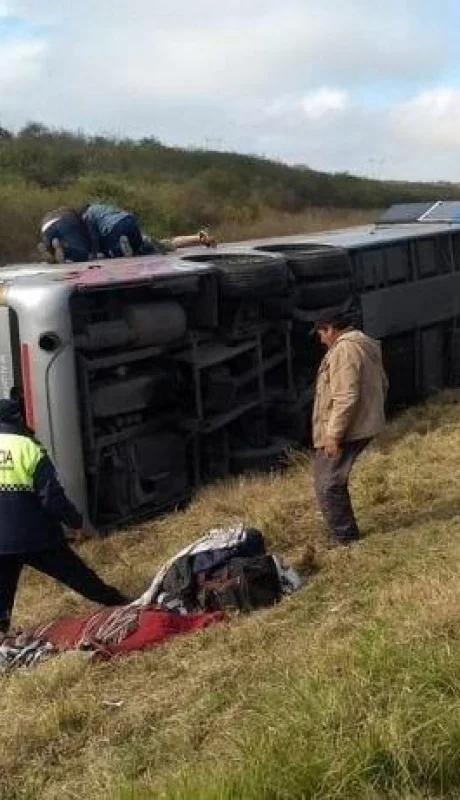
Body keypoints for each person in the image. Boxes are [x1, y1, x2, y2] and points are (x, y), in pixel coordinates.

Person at [0, 398, 129, 635]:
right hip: (36, 537)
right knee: (76, 575)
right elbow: (52, 498)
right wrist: (78, 523)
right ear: (17, 420)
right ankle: (119, 603)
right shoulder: (30, 448)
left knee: (1, 595)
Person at [311, 306, 388, 546]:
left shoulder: (344, 350)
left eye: (321, 333)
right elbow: (384, 382)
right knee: (330, 481)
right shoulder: (363, 343)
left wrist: (333, 435)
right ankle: (343, 532)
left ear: (331, 329)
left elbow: (345, 396)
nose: (320, 338)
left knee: (327, 482)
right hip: (362, 421)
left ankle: (344, 537)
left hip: (349, 427)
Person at [81, 202, 216, 259]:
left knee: (115, 252)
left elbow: (94, 238)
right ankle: (198, 237)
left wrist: (94, 253)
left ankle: (125, 247)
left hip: (116, 229)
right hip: (130, 221)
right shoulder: (105, 208)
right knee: (167, 244)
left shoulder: (88, 214)